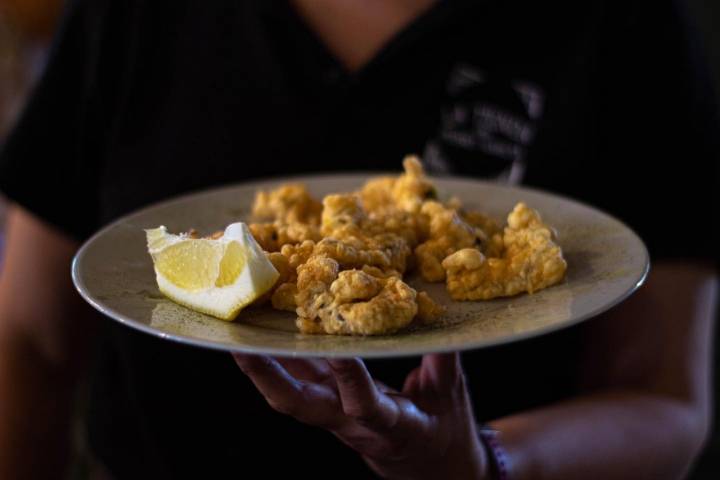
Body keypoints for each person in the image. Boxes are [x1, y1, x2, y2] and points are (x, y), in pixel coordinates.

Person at [0, 0, 717, 478]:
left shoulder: (627, 22)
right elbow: (30, 337)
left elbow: (664, 400)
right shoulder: (132, 15)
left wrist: (488, 463)